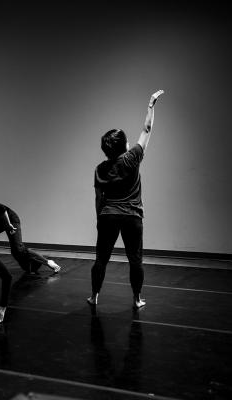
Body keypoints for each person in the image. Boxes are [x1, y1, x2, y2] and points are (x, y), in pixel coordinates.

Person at [87, 90, 164, 309]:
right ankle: (137, 299)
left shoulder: (100, 168)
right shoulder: (132, 159)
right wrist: (151, 105)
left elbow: (98, 197)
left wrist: (98, 219)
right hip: (132, 216)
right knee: (135, 259)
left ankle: (94, 296)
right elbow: (147, 129)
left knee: (101, 258)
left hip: (108, 215)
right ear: (124, 146)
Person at [0, 201, 61, 274]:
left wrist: (8, 225)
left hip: (10, 219)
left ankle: (48, 262)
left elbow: (2, 210)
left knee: (17, 250)